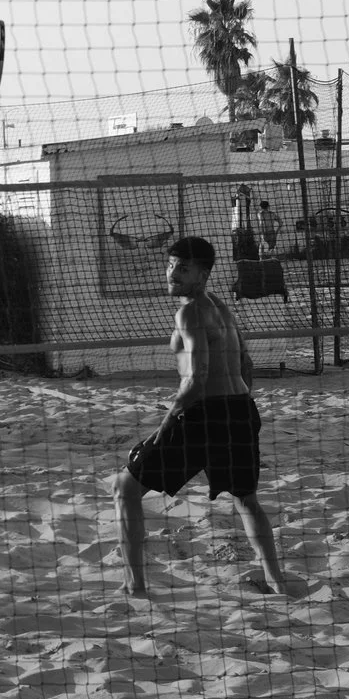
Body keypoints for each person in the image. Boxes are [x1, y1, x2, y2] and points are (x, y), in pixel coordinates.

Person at [116, 236, 288, 598]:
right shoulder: (221, 307)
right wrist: (236, 405)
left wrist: (163, 426)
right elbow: (246, 364)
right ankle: (277, 582)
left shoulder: (190, 311)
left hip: (204, 415)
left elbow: (196, 378)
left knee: (125, 488)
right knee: (246, 501)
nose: (173, 273)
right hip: (240, 411)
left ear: (204, 273)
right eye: (171, 264)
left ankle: (135, 586)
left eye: (184, 268)